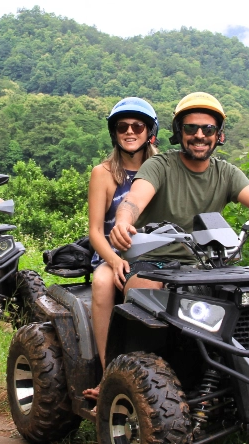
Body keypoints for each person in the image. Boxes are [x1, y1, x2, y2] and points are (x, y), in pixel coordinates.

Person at [109, 91, 249, 292]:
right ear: (179, 132)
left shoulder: (226, 173)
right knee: (144, 291)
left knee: (244, 296)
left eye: (208, 129)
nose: (199, 135)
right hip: (151, 261)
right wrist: (123, 221)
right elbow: (134, 200)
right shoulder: (159, 166)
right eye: (191, 128)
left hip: (205, 264)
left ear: (218, 134)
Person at [85, 97, 159, 399]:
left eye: (137, 126)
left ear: (149, 131)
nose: (130, 132)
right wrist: (114, 261)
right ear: (114, 132)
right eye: (122, 126)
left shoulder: (161, 168)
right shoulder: (103, 173)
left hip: (155, 253)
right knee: (103, 282)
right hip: (112, 253)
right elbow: (94, 231)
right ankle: (109, 374)